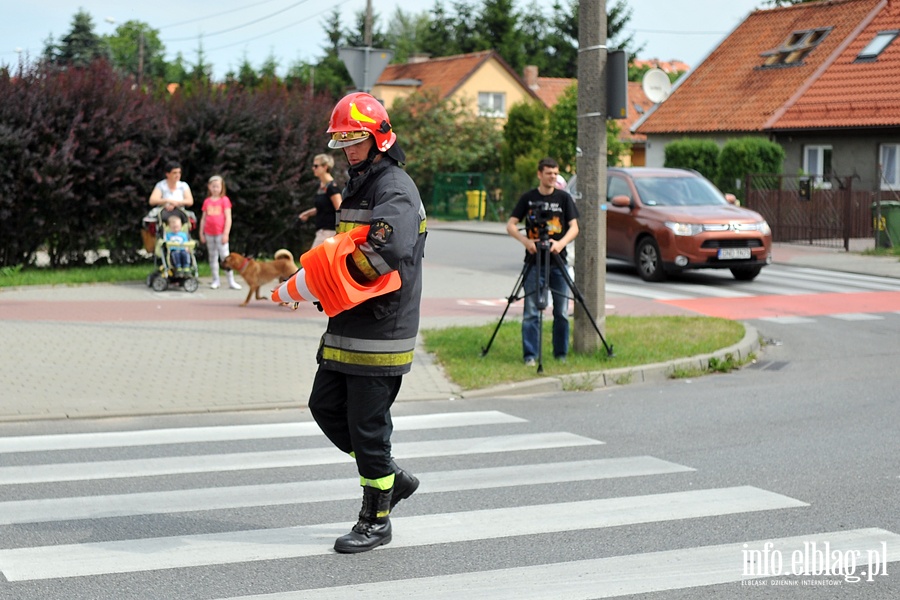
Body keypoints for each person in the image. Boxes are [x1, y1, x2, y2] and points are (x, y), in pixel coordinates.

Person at [271, 92, 427, 554]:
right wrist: (314, 282)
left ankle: (375, 519)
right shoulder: (363, 182)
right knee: (325, 407)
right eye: (341, 140)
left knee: (367, 425)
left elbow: (383, 253)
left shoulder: (394, 187)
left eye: (355, 138)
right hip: (347, 325)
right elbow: (342, 254)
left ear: (378, 137)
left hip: (380, 329)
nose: (348, 148)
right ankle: (391, 478)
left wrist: (319, 286)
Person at [506, 157, 580, 365]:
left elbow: (574, 227)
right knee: (531, 311)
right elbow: (511, 225)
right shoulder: (528, 198)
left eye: (555, 173)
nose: (553, 177)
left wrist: (561, 243)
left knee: (561, 312)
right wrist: (526, 241)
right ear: (540, 174)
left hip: (558, 262)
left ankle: (560, 354)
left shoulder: (564, 198)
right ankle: (530, 355)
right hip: (533, 261)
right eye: (549, 173)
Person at [199, 174, 241, 290]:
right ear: (209, 187)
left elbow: (228, 218)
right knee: (212, 257)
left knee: (225, 257)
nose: (215, 189)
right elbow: (203, 218)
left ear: (222, 187)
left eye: (218, 186)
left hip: (220, 233)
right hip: (209, 233)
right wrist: (201, 233)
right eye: (213, 186)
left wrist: (226, 233)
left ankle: (231, 281)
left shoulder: (224, 200)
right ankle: (215, 280)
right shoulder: (207, 201)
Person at [298, 153, 342, 248]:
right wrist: (307, 214)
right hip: (322, 231)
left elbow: (340, 208)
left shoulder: (332, 188)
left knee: (311, 261)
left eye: (316, 166)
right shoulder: (322, 187)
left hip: (329, 232)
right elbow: (324, 207)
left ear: (325, 167)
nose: (313, 168)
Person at [149, 161, 194, 225]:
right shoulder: (161, 185)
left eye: (179, 173)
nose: (177, 175)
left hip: (179, 212)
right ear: (167, 174)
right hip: (164, 211)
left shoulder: (183, 185)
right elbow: (152, 200)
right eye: (174, 173)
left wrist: (176, 203)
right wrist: (168, 201)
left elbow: (190, 201)